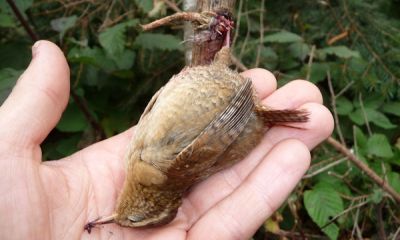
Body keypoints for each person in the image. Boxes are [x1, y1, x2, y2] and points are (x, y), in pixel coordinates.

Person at [0, 40, 333, 239]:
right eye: (127, 218)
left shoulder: (146, 168)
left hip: (221, 96)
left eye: (127, 221)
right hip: (221, 98)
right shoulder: (154, 170)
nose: (114, 217)